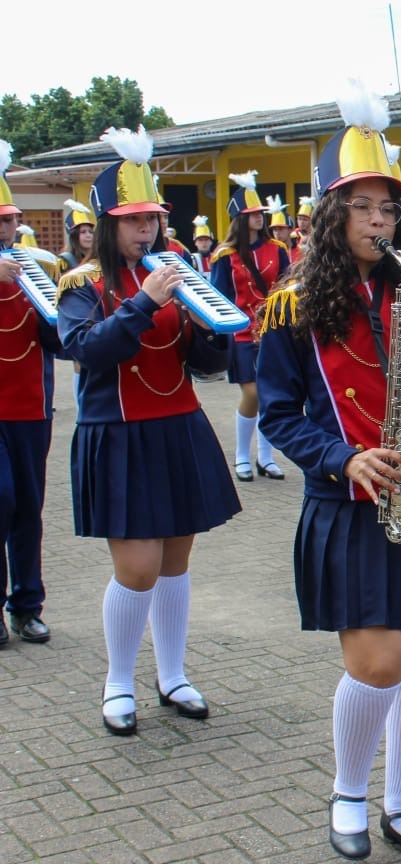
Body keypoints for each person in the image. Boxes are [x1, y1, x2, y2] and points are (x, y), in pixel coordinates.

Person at [257, 84, 401, 863]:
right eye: (360, 208)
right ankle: (348, 792)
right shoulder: (290, 307)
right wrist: (342, 457)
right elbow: (278, 415)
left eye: (388, 208)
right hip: (351, 494)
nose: (379, 221)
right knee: (379, 660)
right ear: (333, 216)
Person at [57, 126, 241, 735]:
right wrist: (144, 303)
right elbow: (86, 349)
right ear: (106, 224)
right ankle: (116, 682)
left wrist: (212, 324)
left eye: (153, 220)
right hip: (120, 433)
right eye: (133, 221)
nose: (147, 231)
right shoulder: (83, 285)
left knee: (175, 562)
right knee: (135, 567)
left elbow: (206, 364)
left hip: (177, 424)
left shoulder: (176, 270)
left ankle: (173, 674)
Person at [0, 141, 60, 646]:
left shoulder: (33, 269)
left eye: (10, 220)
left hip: (31, 408)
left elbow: (60, 339)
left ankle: (27, 605)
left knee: (27, 507)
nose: (6, 230)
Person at [210, 170, 291, 482]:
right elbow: (219, 296)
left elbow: (287, 284)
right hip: (243, 332)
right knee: (253, 392)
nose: (258, 217)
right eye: (252, 214)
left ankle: (266, 458)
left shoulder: (278, 249)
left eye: (260, 213)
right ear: (240, 219)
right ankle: (242, 455)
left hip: (273, 329)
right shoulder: (225, 255)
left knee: (271, 393)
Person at [61, 199, 96, 270]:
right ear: (74, 237)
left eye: (90, 232)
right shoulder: (65, 261)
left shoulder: (101, 258)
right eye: (83, 232)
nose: (88, 235)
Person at [290, 196, 314, 265]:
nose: (301, 222)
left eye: (305, 219)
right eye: (299, 219)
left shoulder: (317, 235)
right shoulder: (293, 235)